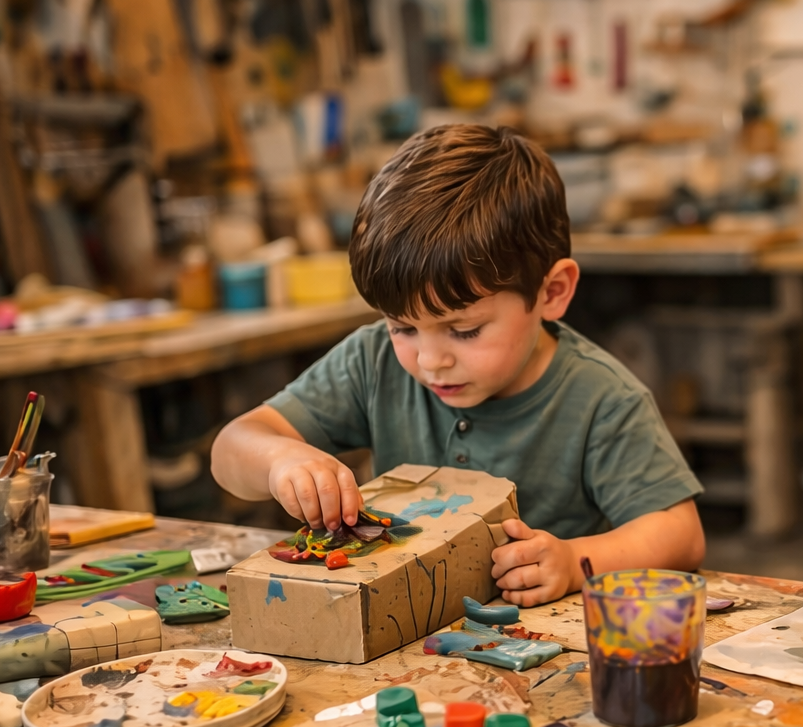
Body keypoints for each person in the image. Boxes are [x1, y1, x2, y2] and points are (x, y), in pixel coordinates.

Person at [212, 124, 705, 607]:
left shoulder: (602, 398)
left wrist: (576, 561)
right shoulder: (373, 361)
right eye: (403, 327)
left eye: (464, 330)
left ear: (551, 292)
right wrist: (281, 460)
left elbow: (681, 536)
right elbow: (231, 450)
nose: (430, 361)